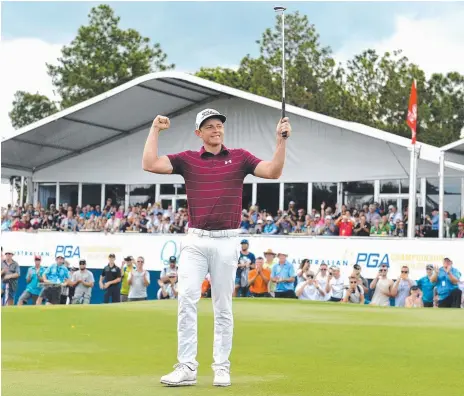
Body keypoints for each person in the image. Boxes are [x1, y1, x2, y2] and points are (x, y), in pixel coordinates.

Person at [143, 108, 291, 387]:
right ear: (199, 133)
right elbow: (149, 163)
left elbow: (273, 171)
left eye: (219, 125)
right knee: (186, 299)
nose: (216, 129)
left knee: (223, 306)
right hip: (195, 239)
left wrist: (281, 140)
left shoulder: (240, 158)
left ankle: (221, 367)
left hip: (227, 240)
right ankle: (186, 366)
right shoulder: (187, 160)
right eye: (209, 126)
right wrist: (155, 129)